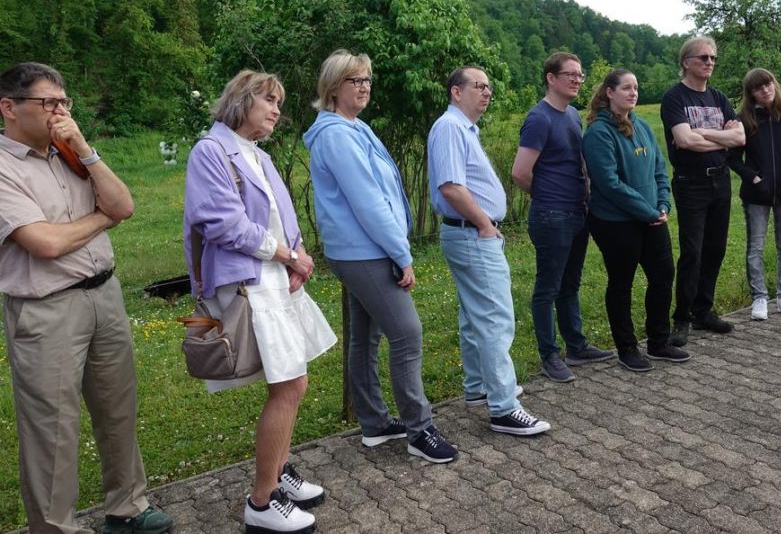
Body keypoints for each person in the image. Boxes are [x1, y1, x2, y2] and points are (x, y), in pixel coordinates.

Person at [0, 63, 172, 534]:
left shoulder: (71, 153)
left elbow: (125, 204)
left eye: (64, 102)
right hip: (46, 309)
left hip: (105, 296)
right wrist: (102, 219)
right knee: (52, 430)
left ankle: (129, 508)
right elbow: (46, 243)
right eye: (49, 103)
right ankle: (56, 528)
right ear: (9, 109)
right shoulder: (3, 168)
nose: (60, 112)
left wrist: (83, 148)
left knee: (118, 409)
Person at [184, 70, 337, 534]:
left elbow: (280, 216)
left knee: (293, 383)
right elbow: (222, 224)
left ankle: (279, 473)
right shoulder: (210, 151)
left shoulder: (256, 155)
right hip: (248, 283)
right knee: (289, 387)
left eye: (278, 102)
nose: (276, 109)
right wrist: (289, 255)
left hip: (275, 279)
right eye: (268, 100)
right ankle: (262, 500)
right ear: (241, 100)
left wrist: (298, 255)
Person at [303, 50, 458, 464]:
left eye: (368, 79)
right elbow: (368, 202)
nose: (365, 86)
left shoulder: (353, 128)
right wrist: (401, 253)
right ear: (334, 87)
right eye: (356, 80)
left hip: (360, 248)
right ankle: (419, 429)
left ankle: (373, 423)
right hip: (364, 250)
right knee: (407, 333)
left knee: (366, 336)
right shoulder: (336, 135)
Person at [427, 66, 551, 436]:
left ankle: (480, 387)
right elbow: (451, 186)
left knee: (475, 316)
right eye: (478, 86)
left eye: (488, 87)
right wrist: (484, 223)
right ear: (456, 92)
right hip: (471, 234)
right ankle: (504, 408)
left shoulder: (463, 128)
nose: (486, 92)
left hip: (469, 233)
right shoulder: (449, 127)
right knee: (496, 317)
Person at [511, 51, 614, 383]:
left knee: (570, 284)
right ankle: (549, 355)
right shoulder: (539, 118)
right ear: (550, 78)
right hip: (552, 215)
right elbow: (520, 172)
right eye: (570, 74)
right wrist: (548, 198)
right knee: (548, 287)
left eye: (580, 75)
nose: (576, 80)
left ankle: (577, 346)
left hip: (577, 212)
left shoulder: (572, 114)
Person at [582, 69, 691, 372]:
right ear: (609, 92)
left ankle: (658, 341)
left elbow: (658, 168)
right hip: (615, 221)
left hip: (652, 218)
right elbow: (608, 183)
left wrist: (662, 204)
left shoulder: (641, 126)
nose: (633, 93)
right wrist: (648, 212)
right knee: (622, 283)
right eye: (626, 88)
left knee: (663, 275)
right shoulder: (598, 133)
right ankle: (626, 348)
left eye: (636, 88)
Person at [660, 36, 745, 345]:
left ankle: (703, 311)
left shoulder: (719, 97)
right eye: (703, 57)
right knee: (692, 252)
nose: (710, 62)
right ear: (686, 62)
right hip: (691, 183)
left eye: (713, 58)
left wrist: (704, 133)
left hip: (720, 181)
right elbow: (684, 141)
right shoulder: (675, 98)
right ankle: (681, 318)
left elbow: (740, 137)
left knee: (715, 249)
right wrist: (721, 135)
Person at [728, 68, 781, 320]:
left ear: (774, 85)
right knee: (755, 246)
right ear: (750, 93)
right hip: (757, 194)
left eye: (768, 85)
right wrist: (753, 177)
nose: (765, 90)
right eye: (758, 87)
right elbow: (732, 158)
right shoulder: (743, 118)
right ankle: (759, 298)